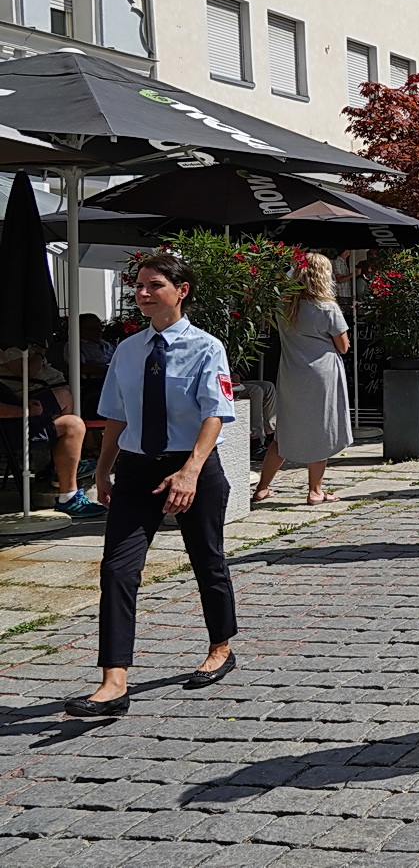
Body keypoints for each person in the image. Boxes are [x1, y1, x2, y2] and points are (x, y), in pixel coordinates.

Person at [69, 253, 240, 716]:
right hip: (137, 470)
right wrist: (104, 470)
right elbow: (116, 416)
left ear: (181, 291)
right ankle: (114, 681)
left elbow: (216, 414)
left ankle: (221, 647)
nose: (143, 294)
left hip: (194, 467)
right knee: (117, 570)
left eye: (154, 285)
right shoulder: (127, 350)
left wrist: (189, 471)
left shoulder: (207, 348)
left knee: (207, 560)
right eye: (139, 286)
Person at [253, 252, 351, 505]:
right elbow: (343, 346)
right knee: (319, 429)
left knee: (284, 432)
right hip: (321, 374)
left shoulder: (285, 306)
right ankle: (315, 490)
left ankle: (262, 487)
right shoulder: (327, 307)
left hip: (291, 373)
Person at [0, 346, 99, 518]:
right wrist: (25, 411)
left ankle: (59, 471)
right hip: (7, 431)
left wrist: (22, 403)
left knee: (63, 401)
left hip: (13, 421)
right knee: (72, 425)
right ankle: (67, 494)